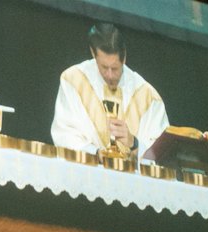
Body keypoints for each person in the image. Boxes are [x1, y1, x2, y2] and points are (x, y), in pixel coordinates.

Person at [51, 22, 168, 159]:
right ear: (93, 53)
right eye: (104, 68)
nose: (110, 75)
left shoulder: (148, 97)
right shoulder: (73, 81)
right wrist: (95, 154)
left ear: (124, 58)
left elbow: (161, 153)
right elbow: (64, 134)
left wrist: (134, 143)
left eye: (115, 68)